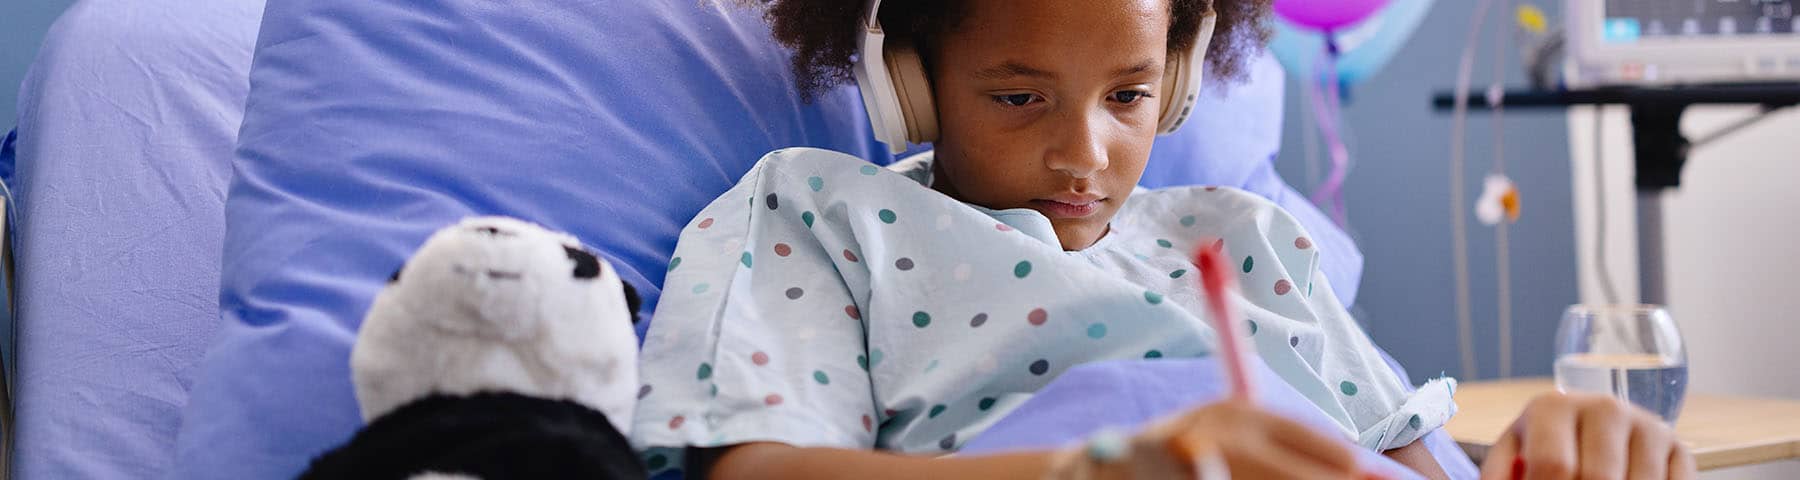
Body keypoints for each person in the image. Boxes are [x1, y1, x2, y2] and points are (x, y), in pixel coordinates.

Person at [632, 1, 1697, 479]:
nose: (1082, 156)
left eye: (1131, 94)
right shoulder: (821, 215)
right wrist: (1096, 472)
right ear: (907, 82)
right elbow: (767, 470)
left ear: (1181, 77)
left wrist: (1555, 452)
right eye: (1017, 96)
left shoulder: (1246, 239)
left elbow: (1414, 462)